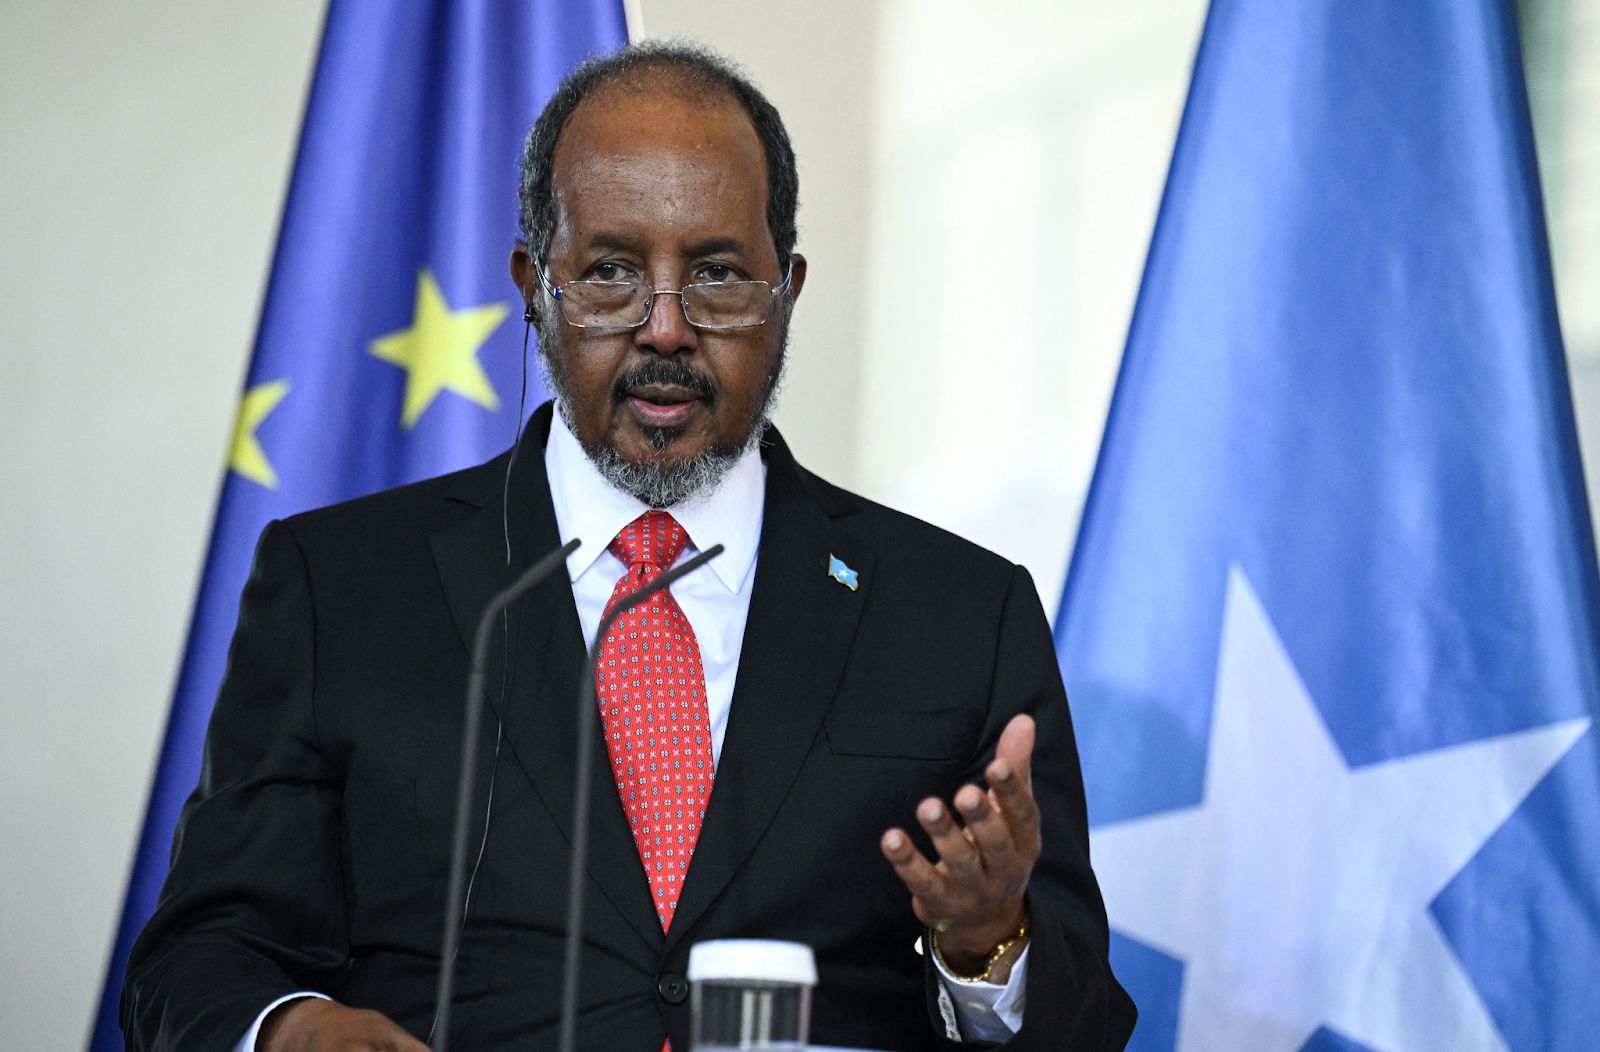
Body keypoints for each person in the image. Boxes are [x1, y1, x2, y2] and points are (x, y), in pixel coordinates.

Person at [122, 42, 1135, 1051]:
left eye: (719, 274)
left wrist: (987, 941)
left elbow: (1089, 1024)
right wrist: (293, 1026)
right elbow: (200, 956)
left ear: (786, 290)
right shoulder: (339, 584)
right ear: (533, 285)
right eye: (608, 272)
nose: (662, 327)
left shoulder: (955, 610)